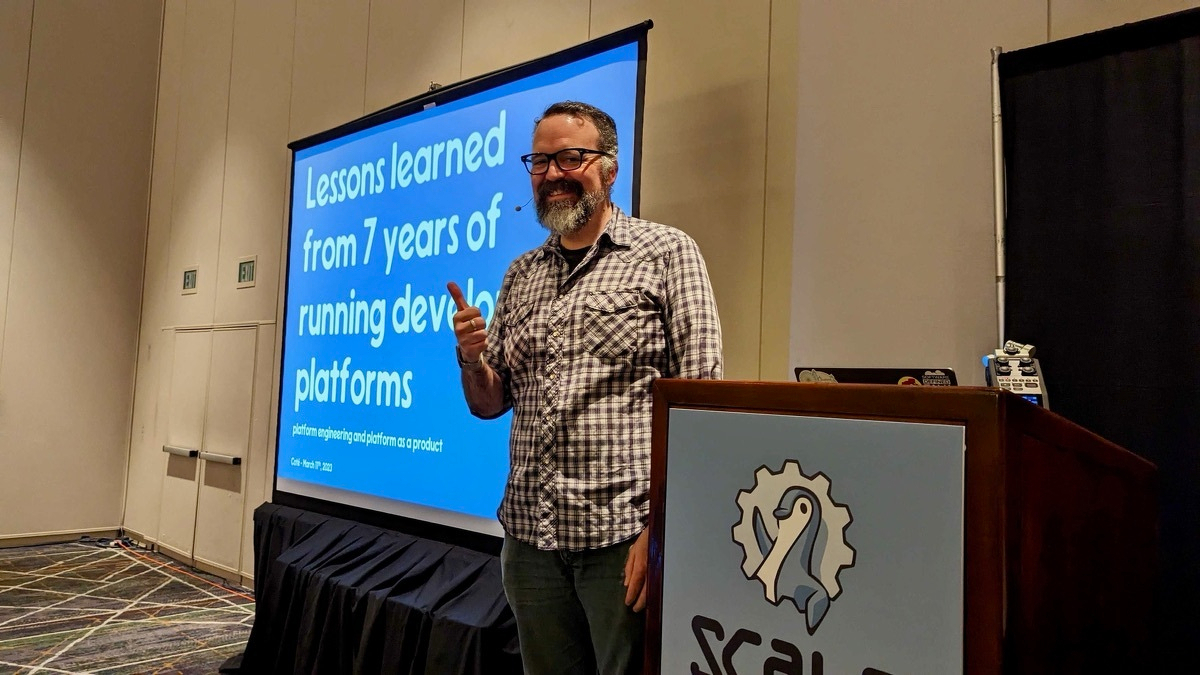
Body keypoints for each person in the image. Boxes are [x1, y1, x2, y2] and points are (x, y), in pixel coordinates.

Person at [447, 101, 723, 675]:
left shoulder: (667, 253)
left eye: (570, 157)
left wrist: (662, 529)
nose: (553, 174)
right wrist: (472, 361)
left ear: (610, 167)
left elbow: (702, 406)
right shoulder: (521, 274)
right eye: (540, 161)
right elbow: (489, 404)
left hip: (622, 542)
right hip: (529, 543)